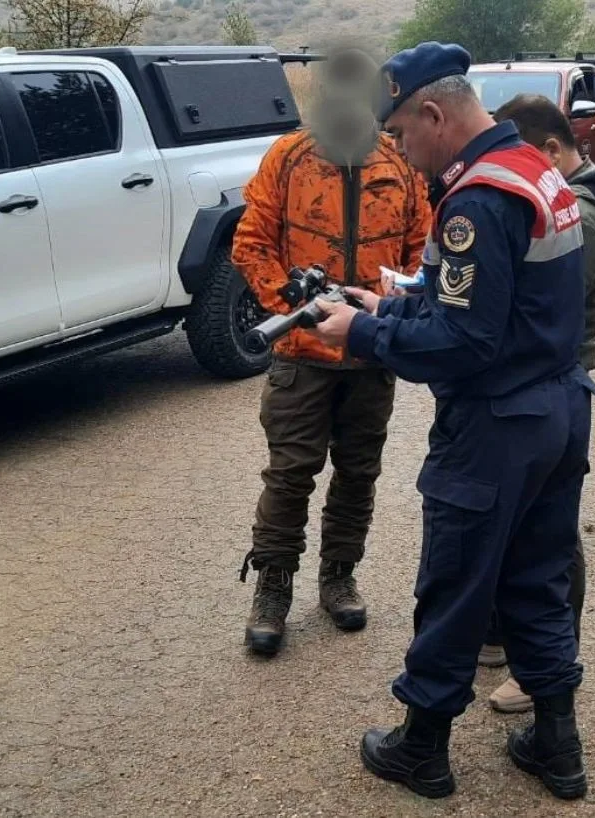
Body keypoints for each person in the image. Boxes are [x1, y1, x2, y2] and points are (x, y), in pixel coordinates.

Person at [309, 41, 595, 801]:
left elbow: (467, 343)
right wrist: (395, 305)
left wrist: (362, 333)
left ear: (433, 112)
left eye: (401, 133)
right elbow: (496, 309)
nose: (400, 151)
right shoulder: (535, 166)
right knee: (536, 579)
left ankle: (423, 747)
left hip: (496, 424)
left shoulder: (476, 197)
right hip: (558, 408)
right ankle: (557, 744)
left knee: (456, 583)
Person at [231, 45, 433, 657]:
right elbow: (251, 241)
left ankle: (339, 575)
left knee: (359, 472)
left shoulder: (399, 164)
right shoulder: (288, 158)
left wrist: (393, 306)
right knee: (291, 474)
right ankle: (272, 586)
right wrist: (290, 301)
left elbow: (423, 249)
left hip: (373, 352)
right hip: (301, 352)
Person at [476, 93, 595, 714]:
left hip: (551, 385)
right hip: (533, 384)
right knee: (509, 515)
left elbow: (546, 323)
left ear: (549, 150)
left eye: (514, 153)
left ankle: (546, 664)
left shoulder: (585, 219)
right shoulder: (560, 200)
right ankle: (499, 631)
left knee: (549, 531)